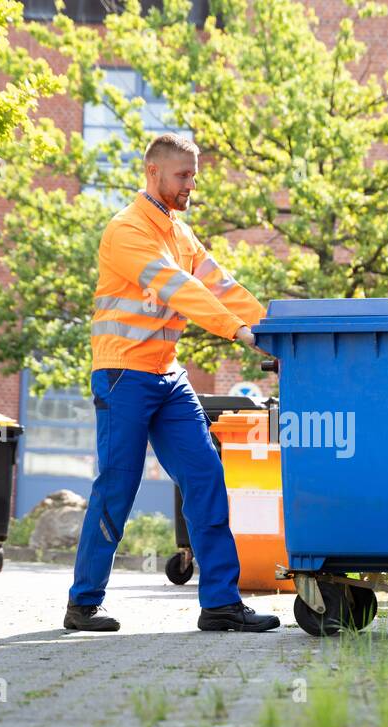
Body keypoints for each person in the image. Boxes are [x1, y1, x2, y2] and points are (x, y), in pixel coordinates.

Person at [64, 132, 281, 634]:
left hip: (166, 374)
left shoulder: (180, 234)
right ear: (153, 173)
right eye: (183, 176)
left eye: (194, 176)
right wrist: (240, 334)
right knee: (119, 485)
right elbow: (180, 289)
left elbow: (222, 285)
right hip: (123, 376)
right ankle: (84, 602)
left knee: (205, 477)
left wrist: (276, 332)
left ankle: (221, 603)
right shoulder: (127, 231)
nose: (190, 185)